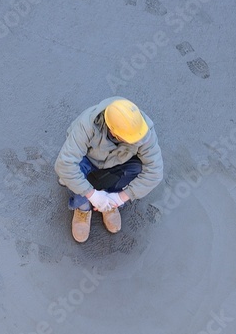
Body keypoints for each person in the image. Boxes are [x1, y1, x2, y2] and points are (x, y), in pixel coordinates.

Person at [55, 97, 164, 242]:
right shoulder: (87, 125)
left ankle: (109, 202)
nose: (138, 142)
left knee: (138, 167)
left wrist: (120, 197)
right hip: (88, 159)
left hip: (117, 162)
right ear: (113, 131)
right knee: (73, 170)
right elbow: (64, 164)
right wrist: (91, 194)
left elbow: (155, 171)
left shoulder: (140, 131)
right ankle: (82, 207)